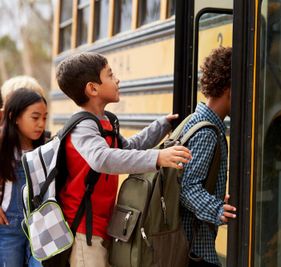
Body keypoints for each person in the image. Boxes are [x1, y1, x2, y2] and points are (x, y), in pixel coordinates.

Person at [55, 52, 192, 267]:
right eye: (110, 75)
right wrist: (157, 157)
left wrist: (161, 126)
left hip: (106, 225)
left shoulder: (106, 121)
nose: (117, 79)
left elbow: (126, 148)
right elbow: (103, 159)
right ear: (93, 88)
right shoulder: (83, 127)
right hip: (84, 231)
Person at [180, 46, 237, 267]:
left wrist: (214, 197)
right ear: (231, 91)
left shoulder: (195, 121)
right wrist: (217, 210)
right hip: (196, 248)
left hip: (194, 244)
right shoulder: (207, 131)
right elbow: (188, 186)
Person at [0, 88, 47, 266]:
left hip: (39, 227)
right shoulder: (3, 145)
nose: (41, 124)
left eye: (44, 118)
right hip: (8, 229)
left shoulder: (44, 149)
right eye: (35, 118)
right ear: (14, 117)